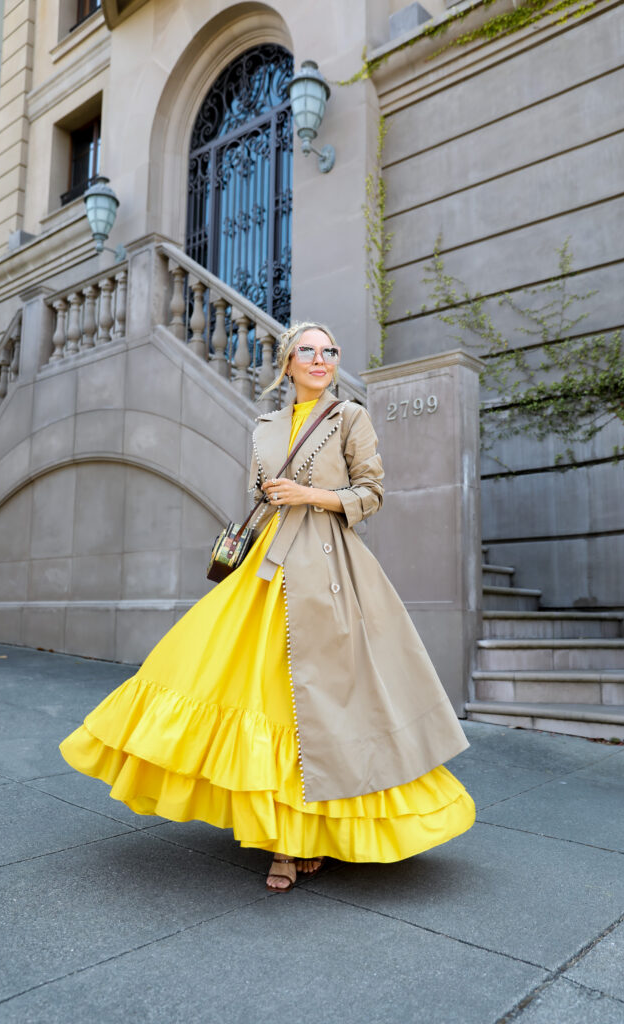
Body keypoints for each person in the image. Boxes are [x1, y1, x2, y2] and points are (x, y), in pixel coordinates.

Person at [59, 321, 476, 892]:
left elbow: (372, 492)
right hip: (266, 568)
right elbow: (257, 496)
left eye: (330, 350)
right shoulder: (263, 426)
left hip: (329, 568)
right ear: (287, 364)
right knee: (246, 686)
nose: (321, 358)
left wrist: (311, 496)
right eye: (308, 350)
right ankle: (281, 836)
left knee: (321, 702)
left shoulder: (349, 417)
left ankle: (303, 837)